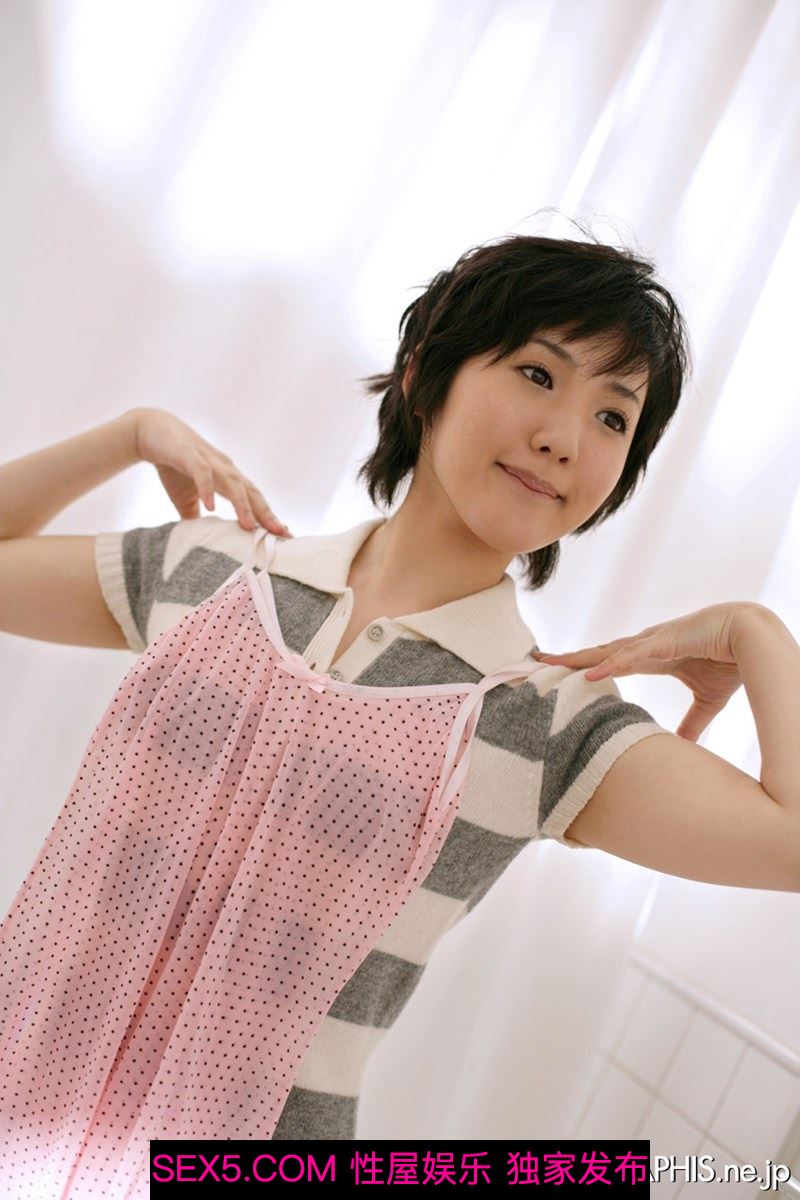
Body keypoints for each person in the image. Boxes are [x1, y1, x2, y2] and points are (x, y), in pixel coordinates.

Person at [0, 233, 797, 1186]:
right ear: (425, 372)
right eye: (538, 374)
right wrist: (130, 434)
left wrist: (757, 633)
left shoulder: (546, 721)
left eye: (613, 418)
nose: (566, 439)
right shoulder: (210, 575)